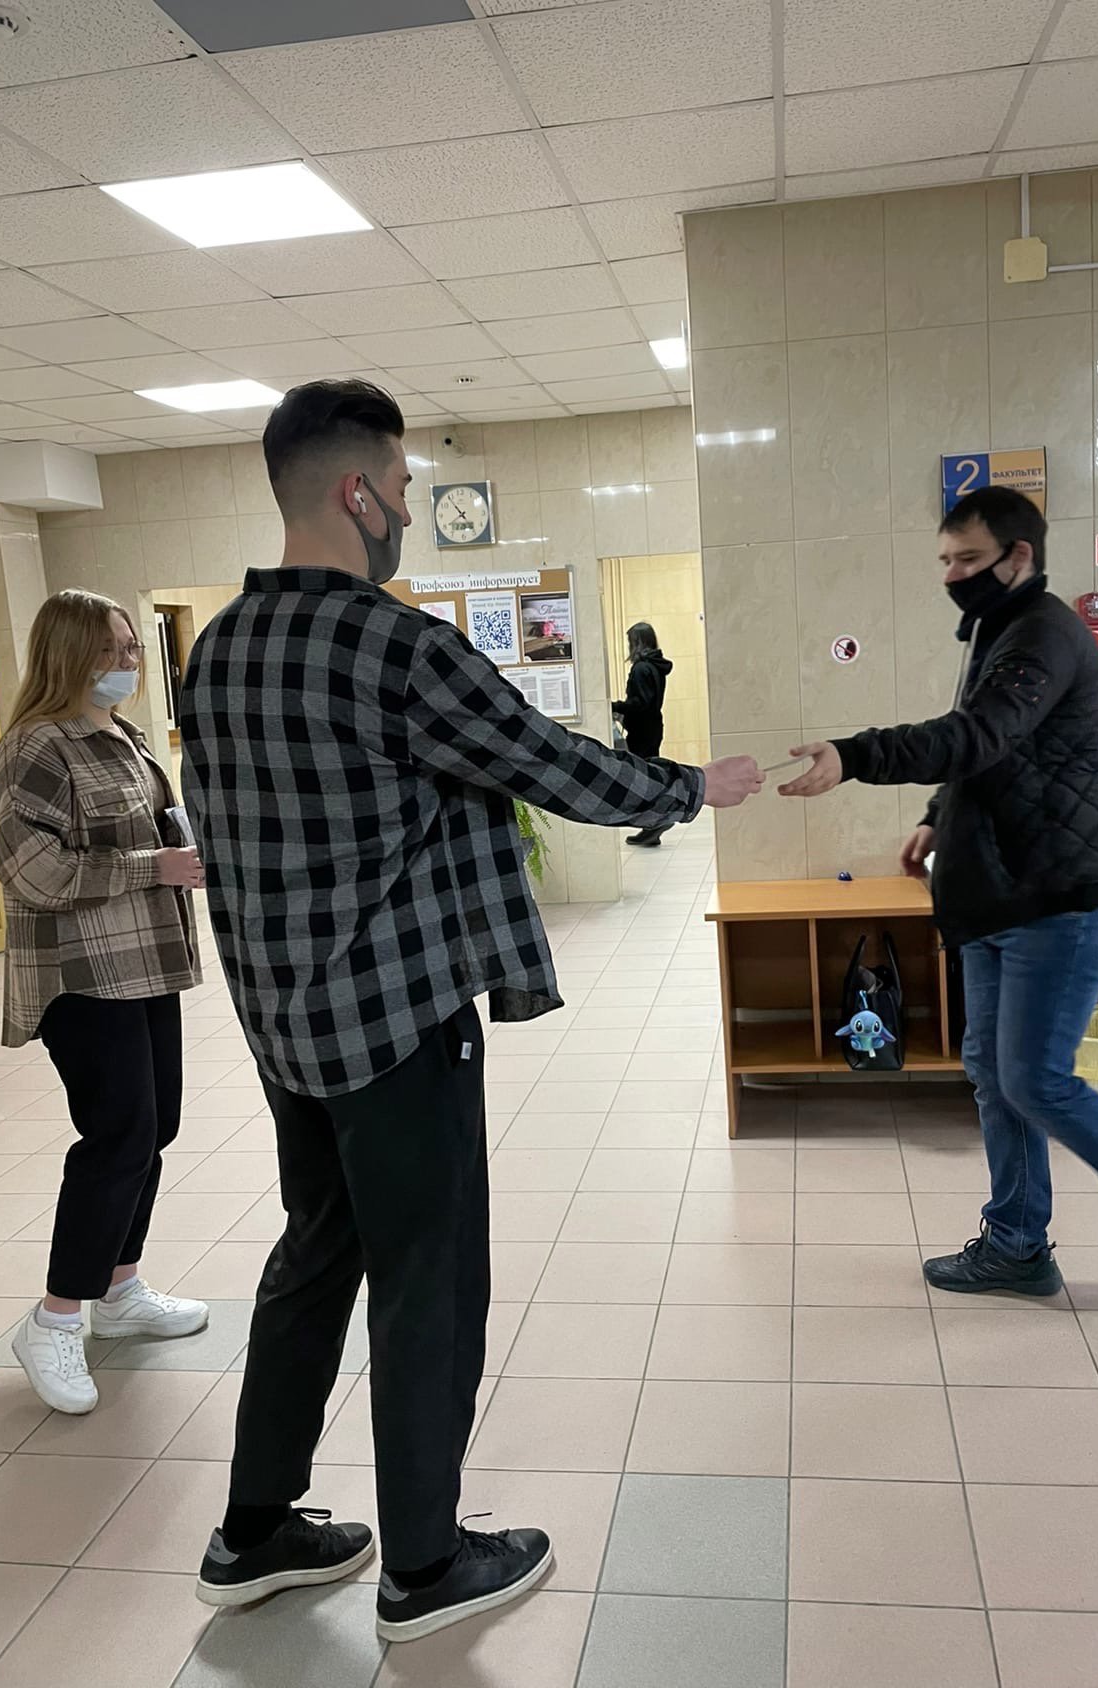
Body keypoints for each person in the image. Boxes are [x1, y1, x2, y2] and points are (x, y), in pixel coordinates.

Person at [180, 379, 762, 1643]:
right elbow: (543, 759)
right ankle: (426, 1564)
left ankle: (254, 1528)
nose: (404, 507)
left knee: (314, 1253)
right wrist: (691, 785)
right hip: (397, 1021)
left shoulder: (216, 647)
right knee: (428, 1278)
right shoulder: (393, 644)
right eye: (400, 486)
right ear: (358, 493)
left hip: (286, 1027)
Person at [779, 486, 1098, 1314]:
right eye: (945, 560)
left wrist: (855, 755)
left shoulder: (1044, 633)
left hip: (1058, 897)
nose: (953, 575)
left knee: (1036, 1078)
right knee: (994, 1072)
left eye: (969, 559)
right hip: (999, 894)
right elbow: (993, 750)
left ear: (1019, 557)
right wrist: (937, 815)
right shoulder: (999, 629)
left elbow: (977, 734)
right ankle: (1017, 1245)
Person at [0, 591, 208, 1415]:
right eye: (113, 649)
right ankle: (54, 1318)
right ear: (69, 654)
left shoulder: (122, 734)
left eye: (132, 647)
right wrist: (153, 867)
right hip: (83, 976)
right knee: (118, 1136)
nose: (129, 662)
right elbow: (30, 871)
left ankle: (119, 1290)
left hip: (144, 963)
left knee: (157, 1128)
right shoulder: (38, 745)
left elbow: (147, 831)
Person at [613, 620, 675, 847]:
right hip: (652, 727)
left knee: (643, 779)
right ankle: (652, 827)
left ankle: (656, 822)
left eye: (630, 642)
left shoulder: (641, 668)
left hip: (642, 730)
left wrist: (616, 706)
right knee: (649, 775)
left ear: (637, 642)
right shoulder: (655, 666)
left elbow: (640, 703)